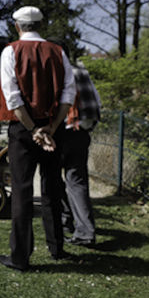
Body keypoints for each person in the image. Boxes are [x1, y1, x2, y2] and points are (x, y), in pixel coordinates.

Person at [0, 6, 76, 271]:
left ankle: (20, 256)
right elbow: (68, 93)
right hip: (53, 127)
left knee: (22, 190)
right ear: (40, 24)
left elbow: (13, 97)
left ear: (17, 26)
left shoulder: (11, 51)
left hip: (23, 129)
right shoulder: (59, 51)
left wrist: (33, 130)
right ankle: (56, 247)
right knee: (53, 187)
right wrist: (51, 127)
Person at [57, 60, 101, 246]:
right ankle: (83, 229)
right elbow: (97, 101)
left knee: (54, 177)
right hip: (82, 132)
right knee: (77, 182)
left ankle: (68, 222)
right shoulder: (82, 72)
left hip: (64, 131)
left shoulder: (60, 72)